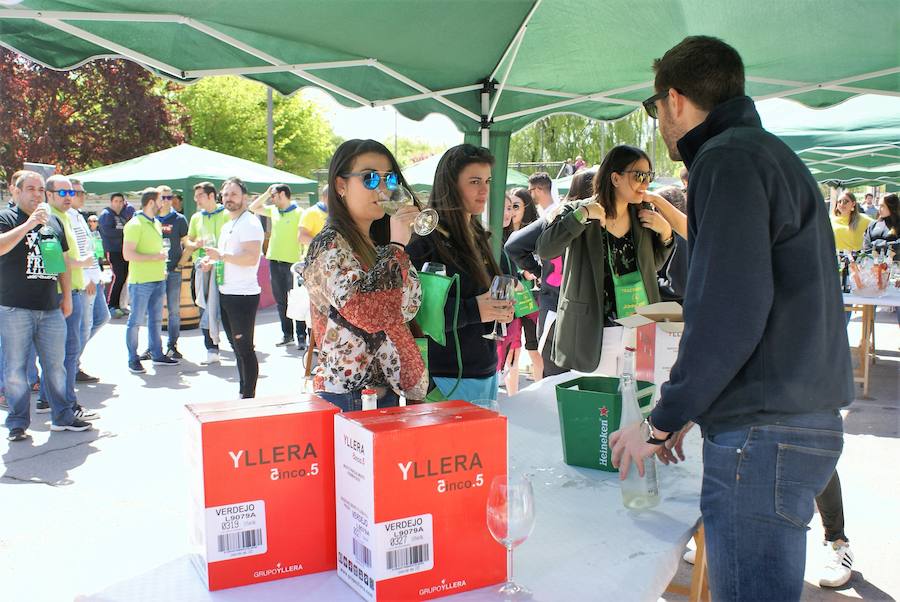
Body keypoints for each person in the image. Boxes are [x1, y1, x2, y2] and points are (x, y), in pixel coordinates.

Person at [610, 36, 853, 602]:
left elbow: (728, 310)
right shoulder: (766, 153)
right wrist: (696, 407)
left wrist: (662, 419)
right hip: (791, 417)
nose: (658, 123)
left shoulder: (727, 158)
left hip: (763, 433)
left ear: (674, 100)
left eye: (654, 108)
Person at [304, 140, 427, 410]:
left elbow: (408, 307)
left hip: (385, 393)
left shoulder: (376, 245)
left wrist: (396, 249)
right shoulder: (328, 245)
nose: (383, 188)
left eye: (390, 178)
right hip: (347, 397)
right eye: (370, 178)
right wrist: (396, 248)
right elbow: (367, 312)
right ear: (341, 186)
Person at [536, 145, 673, 372]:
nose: (645, 183)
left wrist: (666, 233)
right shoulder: (578, 210)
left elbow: (653, 266)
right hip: (595, 331)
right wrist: (583, 215)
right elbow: (545, 249)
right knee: (600, 404)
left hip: (640, 326)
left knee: (638, 401)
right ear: (616, 178)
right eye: (639, 175)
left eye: (649, 176)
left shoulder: (643, 214)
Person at [407, 144, 514, 403]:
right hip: (444, 380)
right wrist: (475, 310)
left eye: (487, 180)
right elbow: (414, 315)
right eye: (474, 181)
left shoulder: (481, 237)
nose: (484, 190)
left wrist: (503, 311)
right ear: (451, 185)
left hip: (486, 371)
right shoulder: (425, 241)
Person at [0, 171, 91, 441]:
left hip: (49, 307)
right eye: (30, 189)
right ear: (15, 192)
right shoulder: (6, 219)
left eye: (40, 189)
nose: (37, 194)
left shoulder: (51, 222)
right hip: (15, 307)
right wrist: (28, 225)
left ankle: (62, 415)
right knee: (16, 369)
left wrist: (65, 298)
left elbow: (57, 263)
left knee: (56, 366)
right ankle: (17, 423)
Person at [506, 171, 597, 379]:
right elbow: (513, 246)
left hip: (552, 311)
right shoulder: (580, 219)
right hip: (571, 315)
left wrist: (541, 273)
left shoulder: (554, 216)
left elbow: (513, 246)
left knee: (556, 385)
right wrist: (540, 271)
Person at [199, 178, 264, 399]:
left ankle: (248, 396)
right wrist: (214, 262)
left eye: (233, 194)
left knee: (245, 349)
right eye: (225, 195)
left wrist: (222, 256)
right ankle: (242, 392)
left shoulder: (250, 223)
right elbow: (229, 259)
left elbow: (250, 257)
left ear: (244, 197)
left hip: (243, 295)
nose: (229, 198)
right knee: (237, 349)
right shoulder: (228, 224)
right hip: (226, 293)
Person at [44, 175, 98, 420]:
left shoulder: (66, 216)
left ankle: (53, 400)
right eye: (63, 193)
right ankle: (66, 406)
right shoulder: (49, 217)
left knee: (64, 353)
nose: (70, 197)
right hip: (62, 294)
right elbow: (54, 261)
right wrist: (81, 265)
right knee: (66, 354)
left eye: (72, 193)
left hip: (72, 290)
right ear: (50, 194)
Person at [122, 188, 179, 373]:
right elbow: (127, 254)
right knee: (136, 321)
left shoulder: (155, 222)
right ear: (152, 202)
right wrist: (154, 258)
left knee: (155, 321)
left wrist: (160, 265)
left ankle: (157, 354)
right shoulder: (135, 224)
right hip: (141, 282)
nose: (164, 203)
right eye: (161, 199)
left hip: (157, 279)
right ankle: (132, 359)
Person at [249, 183, 306, 349]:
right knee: (281, 301)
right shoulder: (273, 211)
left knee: (296, 300)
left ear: (282, 194)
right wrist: (267, 192)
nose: (271, 199)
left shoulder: (299, 213)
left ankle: (301, 336)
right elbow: (253, 207)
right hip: (274, 260)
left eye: (273, 195)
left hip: (292, 262)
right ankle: (287, 334)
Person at [499, 189, 542, 391]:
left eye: (512, 207)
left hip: (527, 302)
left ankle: (519, 394)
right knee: (508, 352)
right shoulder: (493, 240)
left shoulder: (527, 236)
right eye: (506, 207)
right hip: (503, 306)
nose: (510, 213)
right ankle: (510, 394)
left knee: (525, 349)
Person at [184, 182, 230, 365]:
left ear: (211, 196)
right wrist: (195, 245)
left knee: (225, 309)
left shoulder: (227, 214)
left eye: (199, 195)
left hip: (223, 268)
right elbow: (188, 240)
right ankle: (211, 348)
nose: (196, 200)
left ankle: (235, 343)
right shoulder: (196, 217)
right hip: (202, 268)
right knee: (204, 307)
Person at [69, 178, 109, 384]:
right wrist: (86, 280)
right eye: (77, 192)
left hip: (95, 278)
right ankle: (72, 366)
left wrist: (97, 276)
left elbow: (89, 249)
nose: (82, 195)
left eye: (82, 192)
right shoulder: (66, 218)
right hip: (83, 282)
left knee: (101, 318)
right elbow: (73, 253)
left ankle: (72, 361)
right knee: (82, 328)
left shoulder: (79, 216)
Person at [155, 185, 189, 359]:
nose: (167, 200)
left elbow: (187, 245)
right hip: (153, 271)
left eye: (170, 197)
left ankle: (172, 345)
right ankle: (153, 346)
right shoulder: (149, 217)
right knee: (153, 310)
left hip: (173, 269)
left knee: (174, 310)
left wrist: (180, 264)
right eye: (164, 197)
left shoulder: (179, 219)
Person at [98, 192, 134, 318]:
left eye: (121, 201)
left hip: (123, 250)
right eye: (116, 201)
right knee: (117, 277)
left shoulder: (122, 215)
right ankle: (111, 305)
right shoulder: (106, 214)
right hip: (113, 251)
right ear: (111, 202)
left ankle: (119, 305)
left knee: (123, 277)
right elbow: (107, 231)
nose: (118, 204)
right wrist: (125, 232)